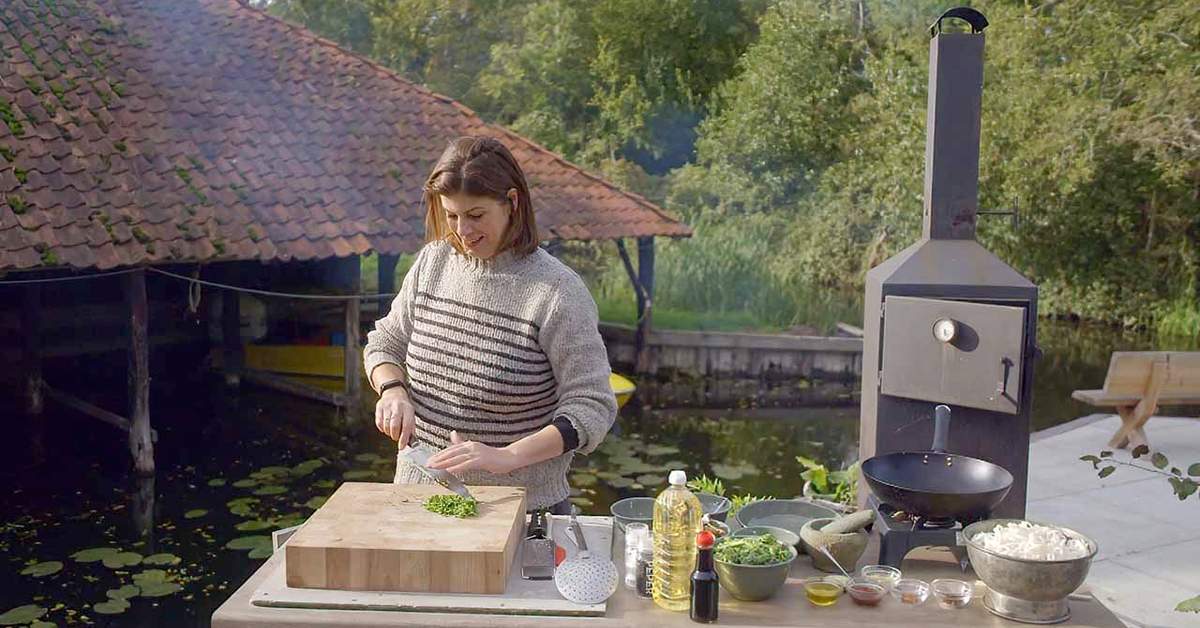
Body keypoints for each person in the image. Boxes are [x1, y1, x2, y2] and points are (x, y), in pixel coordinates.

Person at [363, 136, 618, 514]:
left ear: (512, 203)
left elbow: (593, 407)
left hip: (522, 509)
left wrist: (509, 456)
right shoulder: (433, 263)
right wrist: (392, 390)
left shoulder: (557, 291)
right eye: (452, 215)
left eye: (476, 215)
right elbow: (384, 342)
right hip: (419, 501)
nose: (462, 231)